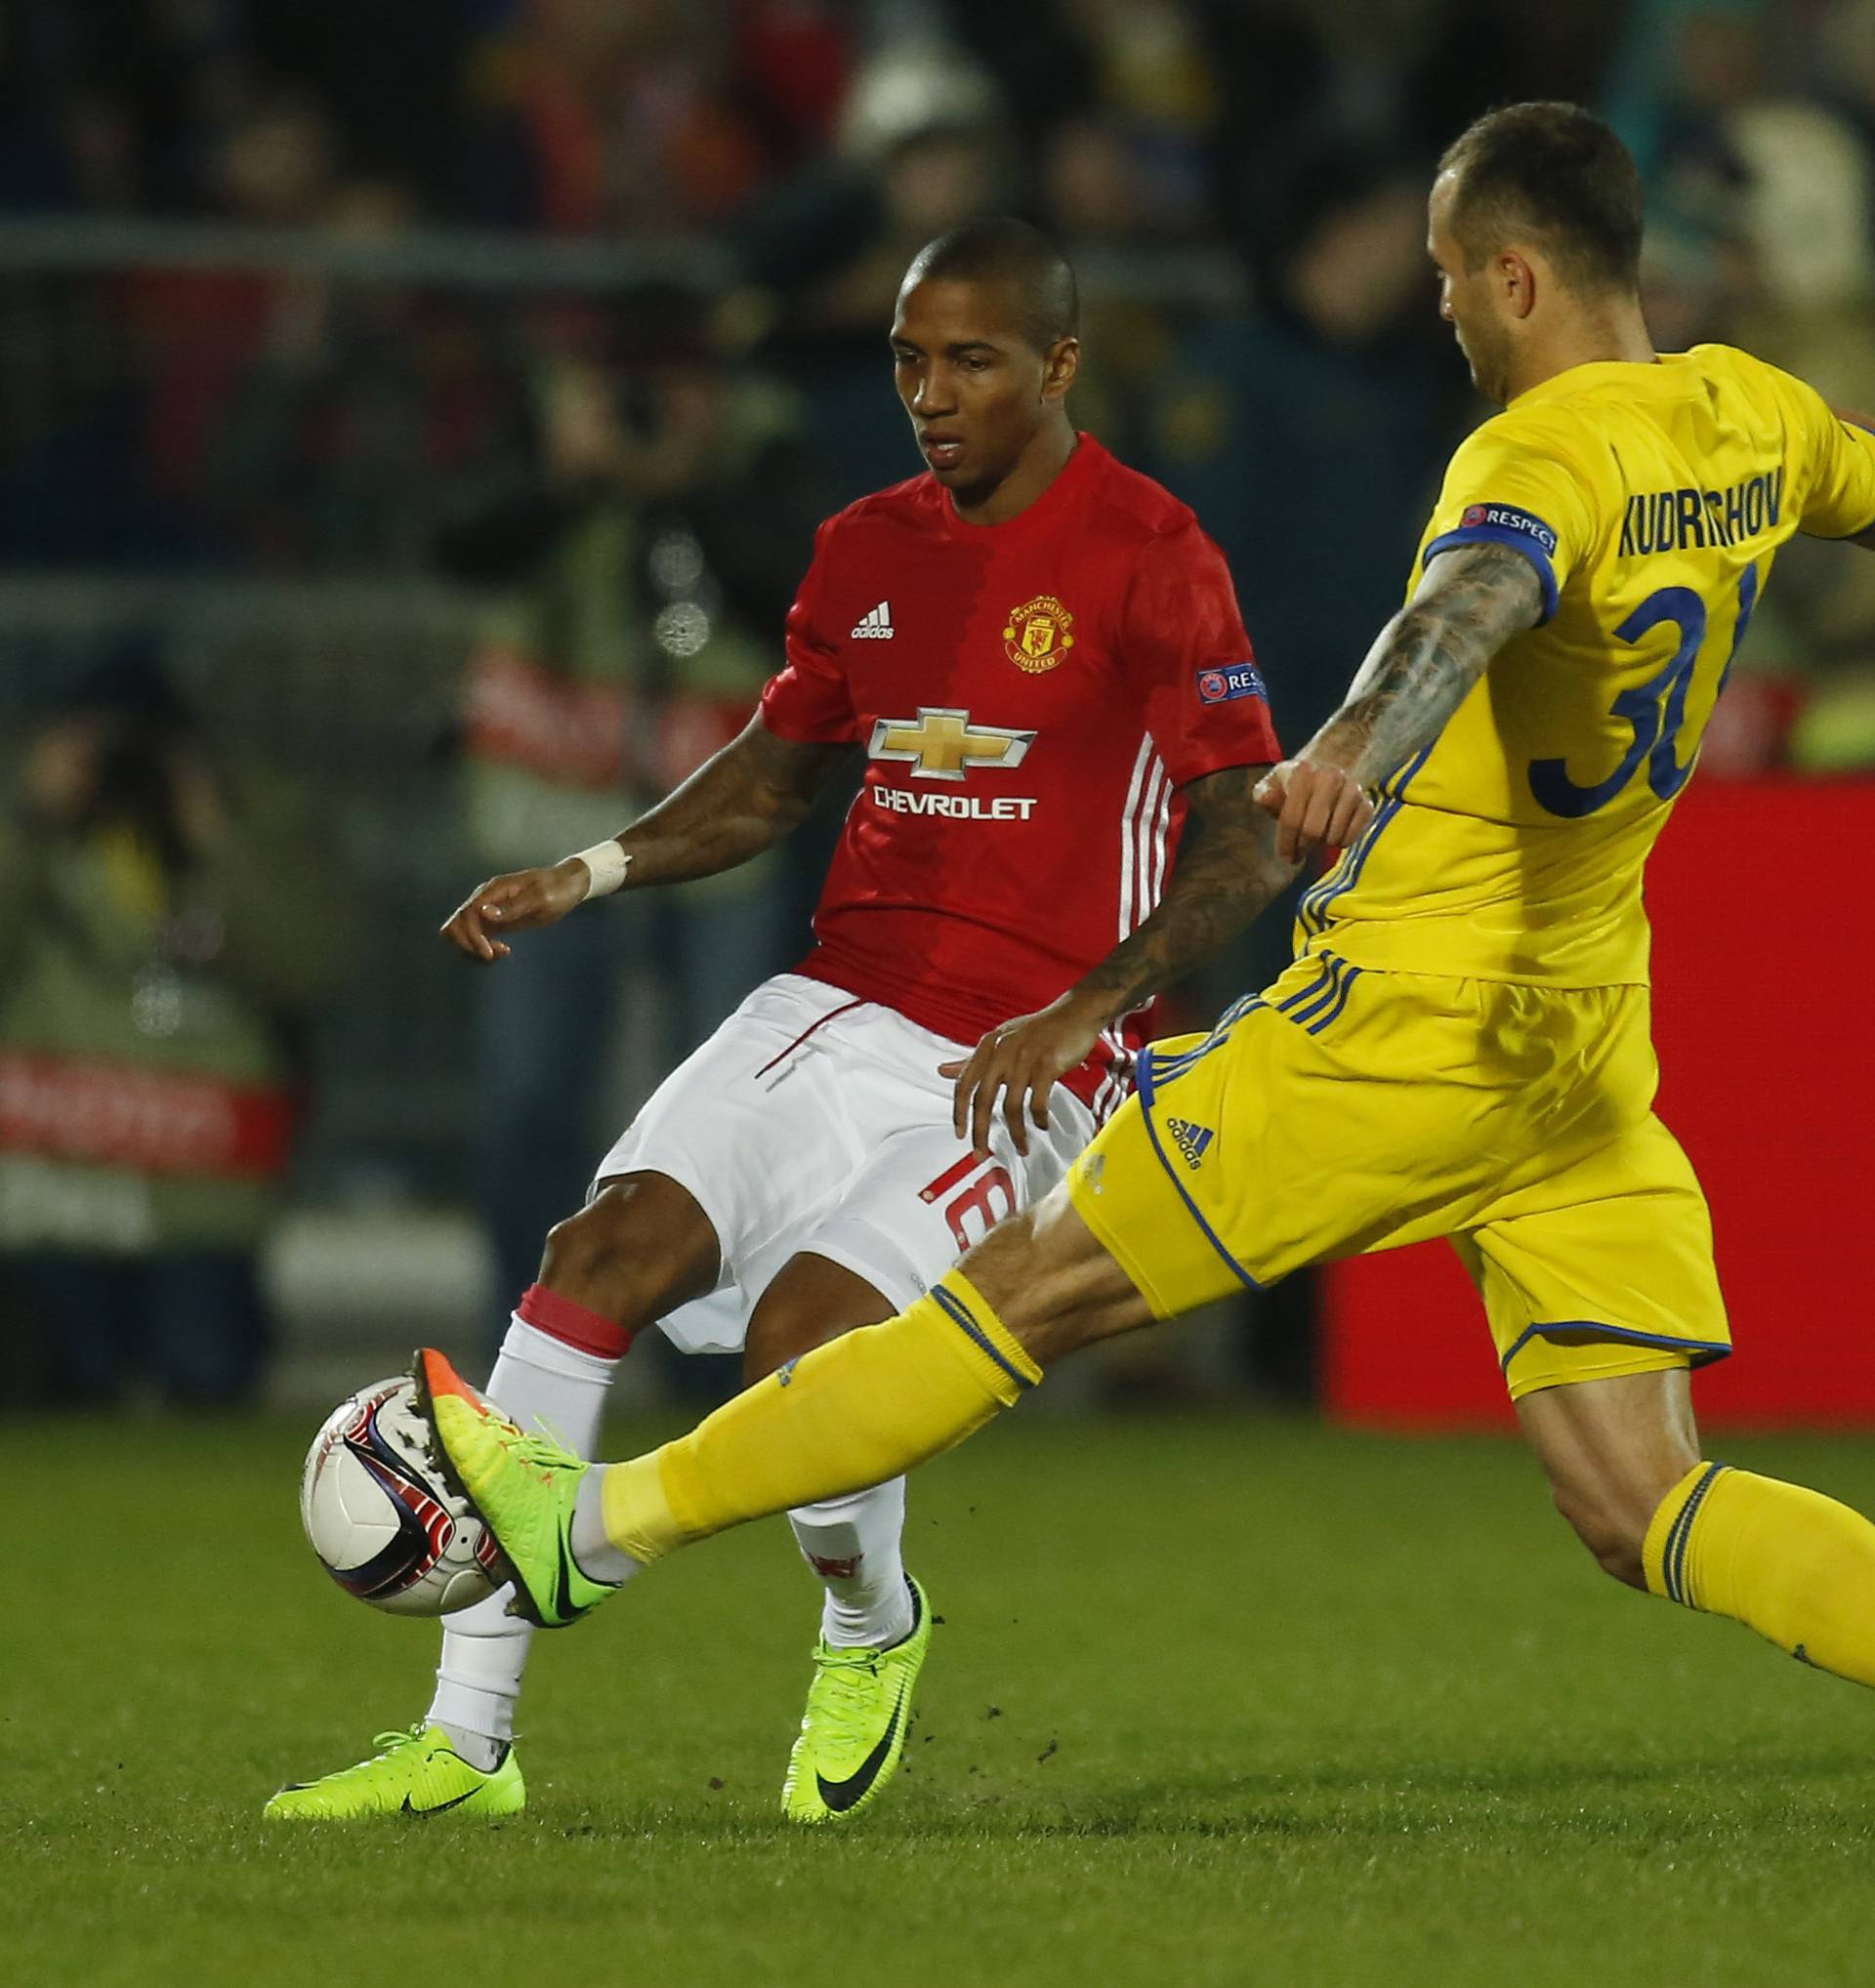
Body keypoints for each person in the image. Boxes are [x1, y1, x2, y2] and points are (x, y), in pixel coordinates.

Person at [416, 104, 1875, 1769]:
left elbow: (1467, 604)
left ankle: (587, 1529)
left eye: (1454, 278)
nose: (1446, 310)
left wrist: (1349, 748)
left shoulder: (1530, 456)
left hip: (1398, 1031)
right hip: (1583, 1054)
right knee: (1644, 1504)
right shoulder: (1750, 415)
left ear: (1519, 277)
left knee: (1010, 1296)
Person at [268, 218, 1283, 1821]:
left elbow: (1243, 835)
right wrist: (590, 869)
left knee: (805, 1347)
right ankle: (467, 1748)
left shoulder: (1157, 555)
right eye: (906, 360)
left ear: (1060, 365)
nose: (931, 395)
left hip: (1029, 1060)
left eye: (971, 361)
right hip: (837, 1002)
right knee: (589, 1261)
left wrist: (1089, 1005)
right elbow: (774, 769)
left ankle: (871, 1622)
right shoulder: (865, 545)